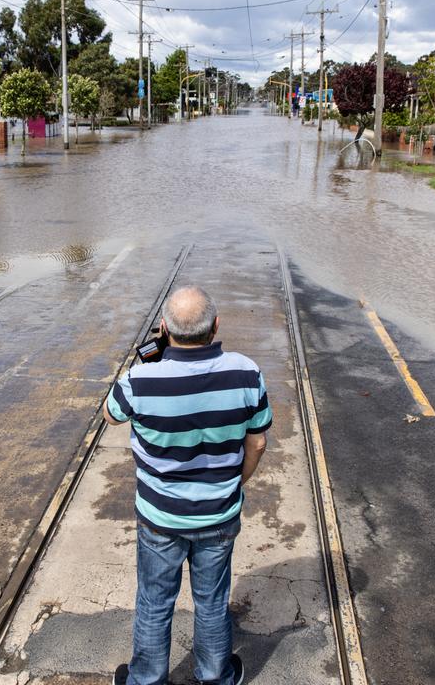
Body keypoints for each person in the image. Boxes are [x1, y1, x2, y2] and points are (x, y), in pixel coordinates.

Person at [104, 286, 272, 685]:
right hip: (220, 513)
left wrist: (151, 357)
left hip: (159, 518)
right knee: (212, 602)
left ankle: (146, 679)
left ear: (163, 328)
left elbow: (111, 417)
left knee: (154, 602)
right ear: (216, 326)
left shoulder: (139, 380)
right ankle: (215, 676)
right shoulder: (246, 372)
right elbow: (258, 441)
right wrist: (233, 482)